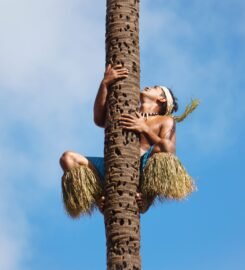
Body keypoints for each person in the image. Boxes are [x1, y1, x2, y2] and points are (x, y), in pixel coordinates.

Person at [60, 64, 181, 214]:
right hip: (112, 167)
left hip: (143, 168)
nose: (149, 86)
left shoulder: (165, 120)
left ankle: (146, 199)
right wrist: (104, 84)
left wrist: (144, 128)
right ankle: (100, 198)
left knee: (165, 146)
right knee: (67, 158)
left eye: (156, 87)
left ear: (162, 99)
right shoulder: (125, 110)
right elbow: (99, 119)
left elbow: (169, 150)